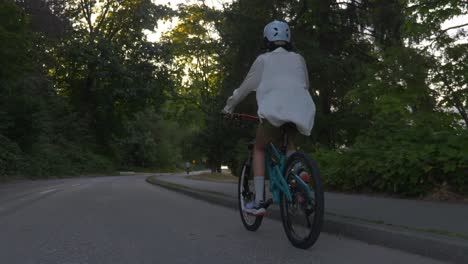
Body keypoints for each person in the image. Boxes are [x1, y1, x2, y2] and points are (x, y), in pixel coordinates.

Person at [222, 20, 316, 216]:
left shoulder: (263, 60)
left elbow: (244, 88)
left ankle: (258, 201)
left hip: (274, 112)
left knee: (259, 148)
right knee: (290, 145)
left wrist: (229, 107)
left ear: (267, 39)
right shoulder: (299, 59)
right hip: (300, 110)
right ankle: (299, 174)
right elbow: (305, 84)